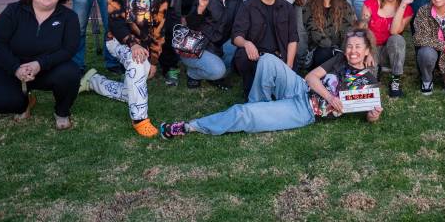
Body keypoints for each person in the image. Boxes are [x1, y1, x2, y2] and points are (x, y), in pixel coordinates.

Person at [159, 30, 383, 139]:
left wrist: (373, 115)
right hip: (300, 88)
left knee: (243, 113)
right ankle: (259, 106)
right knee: (267, 60)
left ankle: (190, 126)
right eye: (350, 46)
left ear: (367, 51)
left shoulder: (368, 82)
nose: (352, 51)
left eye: (357, 47)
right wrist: (331, 97)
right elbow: (311, 77)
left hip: (305, 110)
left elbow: (368, 114)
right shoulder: (340, 59)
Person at [80, 0, 170, 138]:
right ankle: (140, 119)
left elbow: (159, 30)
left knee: (135, 84)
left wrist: (154, 60)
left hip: (145, 46)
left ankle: (95, 82)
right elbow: (115, 21)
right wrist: (133, 44)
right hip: (119, 41)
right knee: (137, 66)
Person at [0, 0, 80, 130]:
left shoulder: (69, 17)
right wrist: (15, 68)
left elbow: (69, 49)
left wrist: (40, 64)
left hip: (48, 69)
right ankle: (24, 103)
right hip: (12, 68)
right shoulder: (13, 11)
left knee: (71, 72)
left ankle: (62, 111)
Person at [232, 0, 298, 98]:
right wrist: (246, 43)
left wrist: (288, 66)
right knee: (242, 56)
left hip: (279, 57)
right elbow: (236, 35)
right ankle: (251, 90)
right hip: (256, 57)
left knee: (284, 95)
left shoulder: (287, 8)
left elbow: (293, 39)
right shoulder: (247, 6)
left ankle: (276, 85)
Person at [180, 0, 243, 90]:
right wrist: (201, 7)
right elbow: (191, 24)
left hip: (220, 44)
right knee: (218, 71)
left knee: (238, 45)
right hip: (197, 46)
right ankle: (193, 74)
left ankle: (215, 74)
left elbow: (239, 23)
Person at [361, 0, 418, 97]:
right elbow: (363, 31)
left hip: (390, 50)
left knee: (397, 39)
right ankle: (377, 69)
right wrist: (367, 52)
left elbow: (394, 31)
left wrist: (402, 4)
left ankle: (395, 81)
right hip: (372, 47)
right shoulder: (370, 3)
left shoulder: (407, 9)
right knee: (369, 85)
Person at [303, 0, 356, 69]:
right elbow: (316, 33)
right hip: (320, 51)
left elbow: (348, 31)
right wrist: (336, 51)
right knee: (325, 52)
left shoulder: (344, 6)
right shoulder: (309, 6)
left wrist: (344, 50)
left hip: (341, 51)